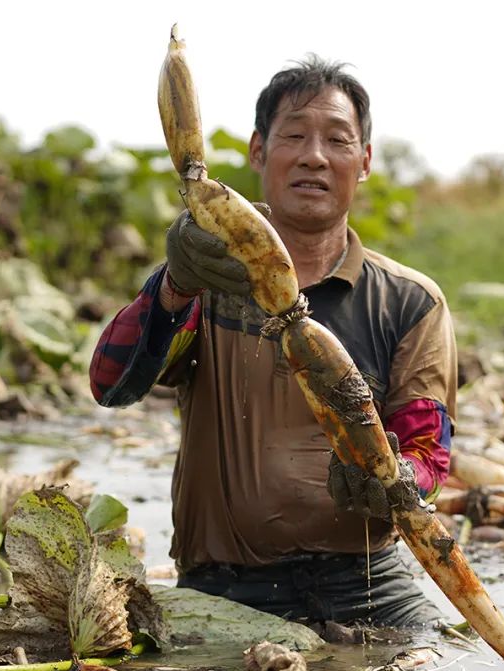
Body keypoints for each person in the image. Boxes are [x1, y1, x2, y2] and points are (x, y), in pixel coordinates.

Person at [89, 56, 457, 627]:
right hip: (226, 587)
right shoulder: (206, 278)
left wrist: (399, 479)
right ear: (259, 151)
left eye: (338, 140)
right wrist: (174, 286)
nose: (314, 155)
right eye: (295, 135)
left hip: (368, 581)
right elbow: (111, 386)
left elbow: (429, 450)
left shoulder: (409, 301)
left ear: (363, 163)